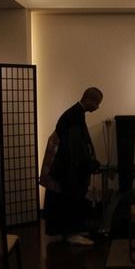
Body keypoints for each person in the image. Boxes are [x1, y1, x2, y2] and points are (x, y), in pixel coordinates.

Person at [44, 87, 103, 245]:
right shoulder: (74, 116)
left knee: (69, 199)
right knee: (71, 198)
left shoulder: (75, 113)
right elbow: (75, 148)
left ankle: (71, 231)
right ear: (88, 99)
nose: (97, 107)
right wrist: (88, 164)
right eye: (97, 103)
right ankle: (72, 233)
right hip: (68, 168)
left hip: (68, 165)